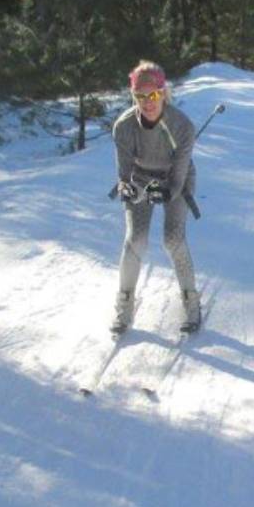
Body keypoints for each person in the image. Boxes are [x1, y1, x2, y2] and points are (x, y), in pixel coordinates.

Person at [110, 60, 201, 336]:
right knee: (135, 238)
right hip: (141, 177)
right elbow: (124, 174)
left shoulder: (182, 127)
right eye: (140, 96)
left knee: (172, 238)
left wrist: (167, 191)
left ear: (162, 92)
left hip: (176, 179)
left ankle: (192, 302)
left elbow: (179, 177)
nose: (147, 102)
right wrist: (128, 188)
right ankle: (124, 305)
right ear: (133, 96)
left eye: (152, 95)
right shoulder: (123, 127)